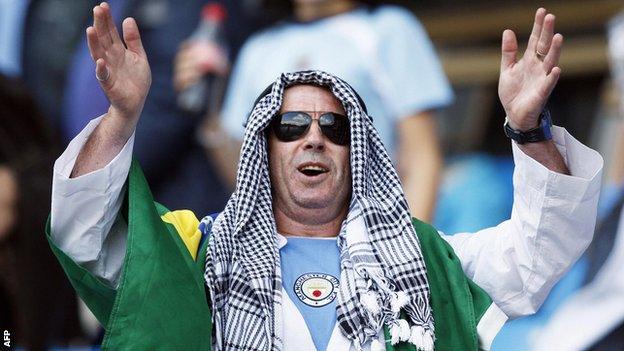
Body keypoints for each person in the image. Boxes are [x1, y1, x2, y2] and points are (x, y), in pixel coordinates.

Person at [48, 4, 603, 350]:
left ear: (358, 149)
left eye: (335, 127)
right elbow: (84, 236)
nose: (313, 137)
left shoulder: (429, 263)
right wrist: (121, 120)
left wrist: (529, 131)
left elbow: (540, 252)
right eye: (290, 125)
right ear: (263, 150)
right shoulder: (195, 255)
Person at [174, 0, 452, 221]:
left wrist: (410, 253)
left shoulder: (389, 28)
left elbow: (422, 158)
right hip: (284, 244)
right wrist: (208, 110)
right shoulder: (260, 46)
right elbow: (244, 176)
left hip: (371, 229)